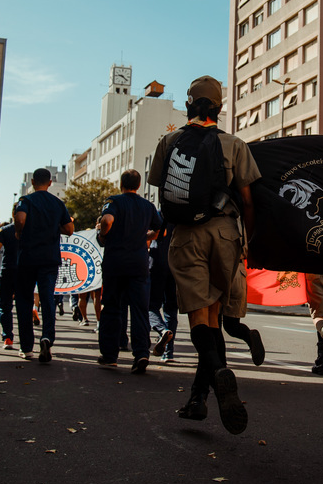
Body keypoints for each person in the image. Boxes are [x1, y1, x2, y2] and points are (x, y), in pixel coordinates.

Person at [147, 75, 260, 435]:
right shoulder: (234, 144)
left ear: (188, 105)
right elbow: (248, 200)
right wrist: (250, 241)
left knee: (199, 318)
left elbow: (160, 186)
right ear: (220, 107)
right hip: (225, 234)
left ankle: (217, 375)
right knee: (213, 318)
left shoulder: (169, 141)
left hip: (186, 235)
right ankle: (199, 398)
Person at [95, 169, 162, 373]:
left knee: (112, 308)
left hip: (115, 262)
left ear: (121, 184)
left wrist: (103, 235)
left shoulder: (113, 201)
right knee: (140, 310)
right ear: (139, 185)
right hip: (139, 264)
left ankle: (110, 355)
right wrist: (144, 237)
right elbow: (159, 230)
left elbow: (107, 220)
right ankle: (141, 353)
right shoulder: (148, 206)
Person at [13, 168, 73, 363]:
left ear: (32, 182)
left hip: (28, 257)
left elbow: (20, 218)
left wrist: (19, 232)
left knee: (24, 300)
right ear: (50, 183)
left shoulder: (25, 200)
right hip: (50, 258)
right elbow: (69, 229)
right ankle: (47, 337)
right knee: (47, 299)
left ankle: (26, 347)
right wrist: (55, 227)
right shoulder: (58, 203)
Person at [0, 210, 20, 350]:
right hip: (25, 271)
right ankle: (26, 343)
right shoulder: (32, 229)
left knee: (5, 306)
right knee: (24, 306)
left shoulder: (5, 230)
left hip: (7, 270)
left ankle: (7, 337)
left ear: (13, 214)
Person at [147, 225, 178, 361]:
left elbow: (150, 235)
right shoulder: (180, 218)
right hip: (176, 263)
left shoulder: (158, 216)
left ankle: (162, 330)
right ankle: (168, 352)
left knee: (150, 306)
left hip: (157, 262)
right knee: (171, 309)